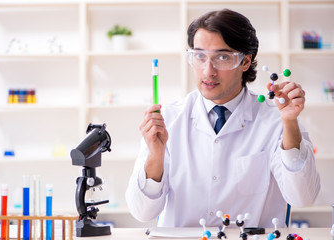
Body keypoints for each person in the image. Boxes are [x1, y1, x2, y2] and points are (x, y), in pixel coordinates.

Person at [125, 8, 320, 228]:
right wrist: (156, 156)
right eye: (199, 56)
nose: (208, 71)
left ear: (245, 62)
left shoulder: (277, 118)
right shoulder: (167, 119)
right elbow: (142, 212)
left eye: (223, 57)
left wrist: (290, 123)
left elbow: (303, 198)